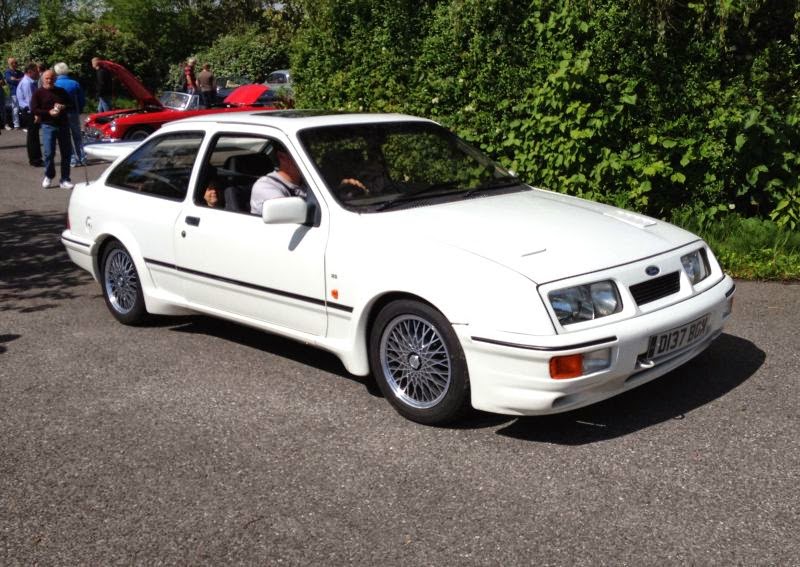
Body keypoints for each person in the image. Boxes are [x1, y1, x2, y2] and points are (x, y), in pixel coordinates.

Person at [31, 69, 73, 190]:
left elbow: (71, 105)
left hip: (63, 125)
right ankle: (49, 175)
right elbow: (34, 109)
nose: (49, 80)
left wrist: (63, 106)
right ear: (43, 79)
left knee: (66, 153)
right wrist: (48, 112)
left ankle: (65, 179)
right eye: (47, 78)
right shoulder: (38, 93)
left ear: (55, 79)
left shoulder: (61, 91)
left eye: (51, 78)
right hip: (48, 125)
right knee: (49, 153)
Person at [250, 146, 308, 215]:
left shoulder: (307, 182)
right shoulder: (265, 186)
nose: (308, 160)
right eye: (302, 155)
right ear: (282, 157)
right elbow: (290, 215)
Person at [53, 62, 86, 166]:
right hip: (73, 111)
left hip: (61, 113)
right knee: (77, 135)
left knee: (65, 137)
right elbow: (81, 99)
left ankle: (72, 159)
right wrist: (80, 109)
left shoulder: (55, 84)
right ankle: (82, 157)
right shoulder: (74, 83)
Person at [16, 63, 43, 167]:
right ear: (30, 72)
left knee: (33, 135)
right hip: (29, 111)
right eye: (36, 71)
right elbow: (31, 101)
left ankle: (36, 158)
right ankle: (35, 159)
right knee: (33, 136)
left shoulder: (28, 82)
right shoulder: (27, 83)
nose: (38, 73)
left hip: (29, 111)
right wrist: (36, 113)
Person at [4, 57, 23, 129]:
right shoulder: (7, 72)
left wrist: (16, 79)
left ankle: (25, 122)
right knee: (15, 109)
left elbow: (24, 78)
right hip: (14, 92)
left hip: (21, 92)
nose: (17, 64)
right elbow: (10, 80)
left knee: (24, 107)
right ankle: (16, 125)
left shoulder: (19, 72)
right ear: (11, 63)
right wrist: (19, 79)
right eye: (15, 63)